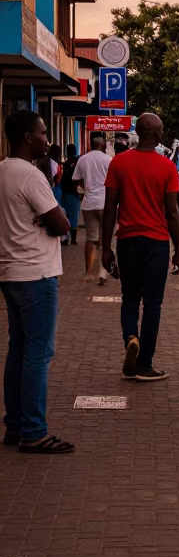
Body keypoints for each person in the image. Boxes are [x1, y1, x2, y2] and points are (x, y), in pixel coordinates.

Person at [0, 110, 73, 453]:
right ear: (28, 137)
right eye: (43, 133)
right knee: (38, 354)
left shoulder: (1, 171)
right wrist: (46, 223)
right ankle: (33, 431)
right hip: (36, 274)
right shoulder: (30, 175)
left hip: (10, 273)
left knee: (18, 351)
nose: (47, 139)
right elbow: (62, 224)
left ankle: (14, 426)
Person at [102, 112, 179, 382]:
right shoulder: (167, 167)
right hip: (157, 243)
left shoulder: (119, 162)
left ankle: (130, 339)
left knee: (129, 299)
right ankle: (145, 364)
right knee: (152, 304)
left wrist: (106, 248)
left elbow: (110, 208)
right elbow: (172, 212)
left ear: (140, 134)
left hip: (127, 242)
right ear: (158, 134)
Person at [72, 134, 111, 284]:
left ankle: (88, 272)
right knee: (105, 240)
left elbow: (77, 181)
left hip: (88, 204)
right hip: (104, 204)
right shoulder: (108, 160)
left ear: (92, 145)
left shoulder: (83, 159)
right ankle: (102, 273)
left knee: (90, 239)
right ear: (103, 146)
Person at [60, 143, 81, 245]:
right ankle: (73, 239)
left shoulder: (65, 163)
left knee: (66, 216)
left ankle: (65, 238)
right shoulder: (76, 162)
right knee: (74, 217)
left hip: (65, 192)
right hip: (74, 193)